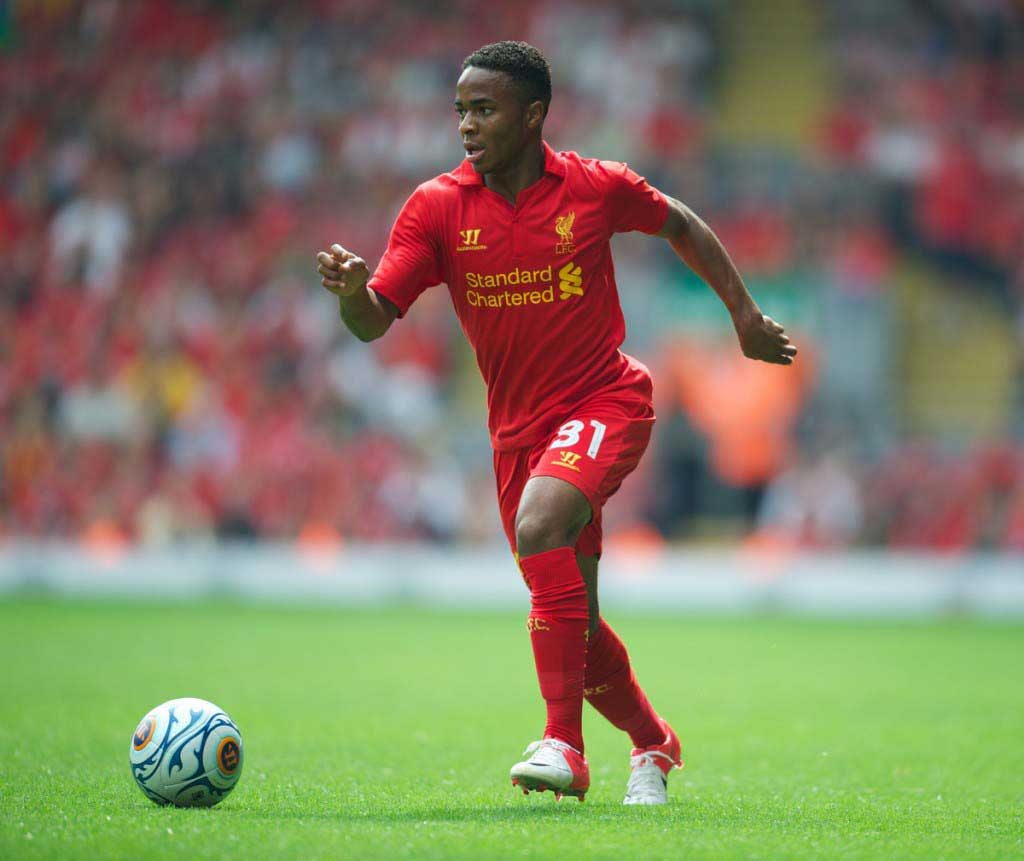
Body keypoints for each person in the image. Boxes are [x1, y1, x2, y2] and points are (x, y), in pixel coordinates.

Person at [316, 41, 796, 805]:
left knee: (541, 528)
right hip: (517, 437)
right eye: (461, 111)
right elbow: (376, 319)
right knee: (578, 624)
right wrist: (349, 292)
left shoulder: (595, 186)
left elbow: (681, 224)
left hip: (607, 399)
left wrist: (742, 318)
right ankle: (653, 743)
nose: (467, 125)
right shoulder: (437, 206)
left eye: (485, 109)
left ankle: (564, 746)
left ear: (533, 113)